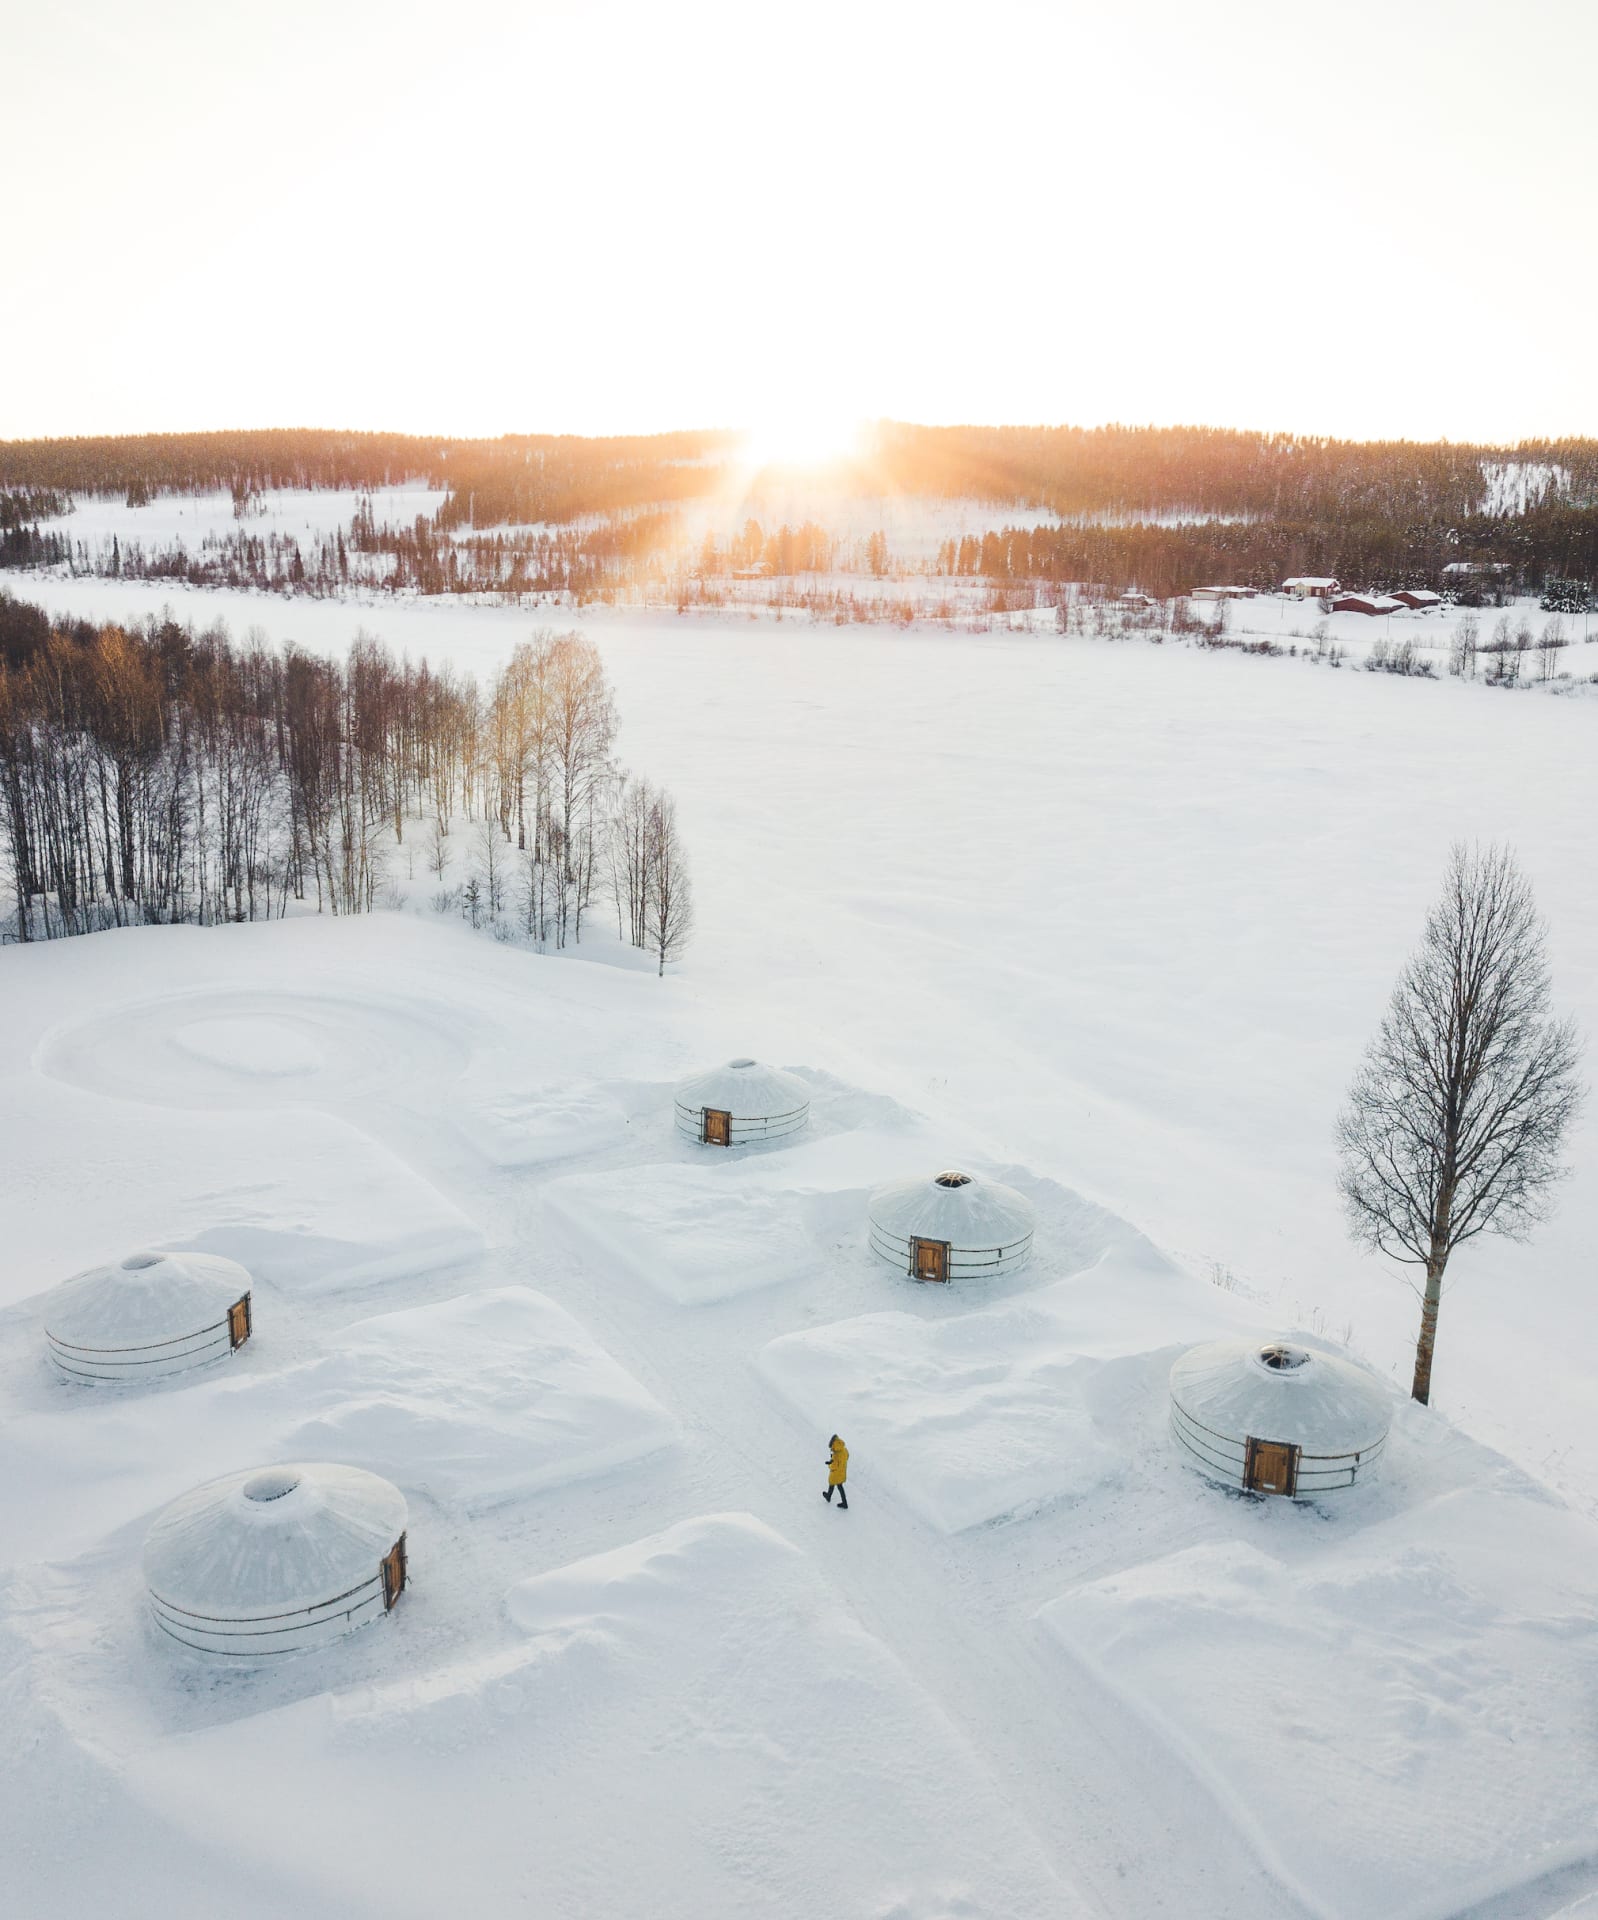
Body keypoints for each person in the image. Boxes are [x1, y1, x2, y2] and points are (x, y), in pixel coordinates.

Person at [823, 1434, 849, 1509]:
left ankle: (829, 1496)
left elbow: (833, 1466)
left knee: (832, 1483)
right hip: (842, 1471)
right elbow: (847, 1456)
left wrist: (829, 1464)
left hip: (836, 1473)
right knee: (839, 1486)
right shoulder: (844, 1449)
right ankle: (844, 1502)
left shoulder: (836, 1455)